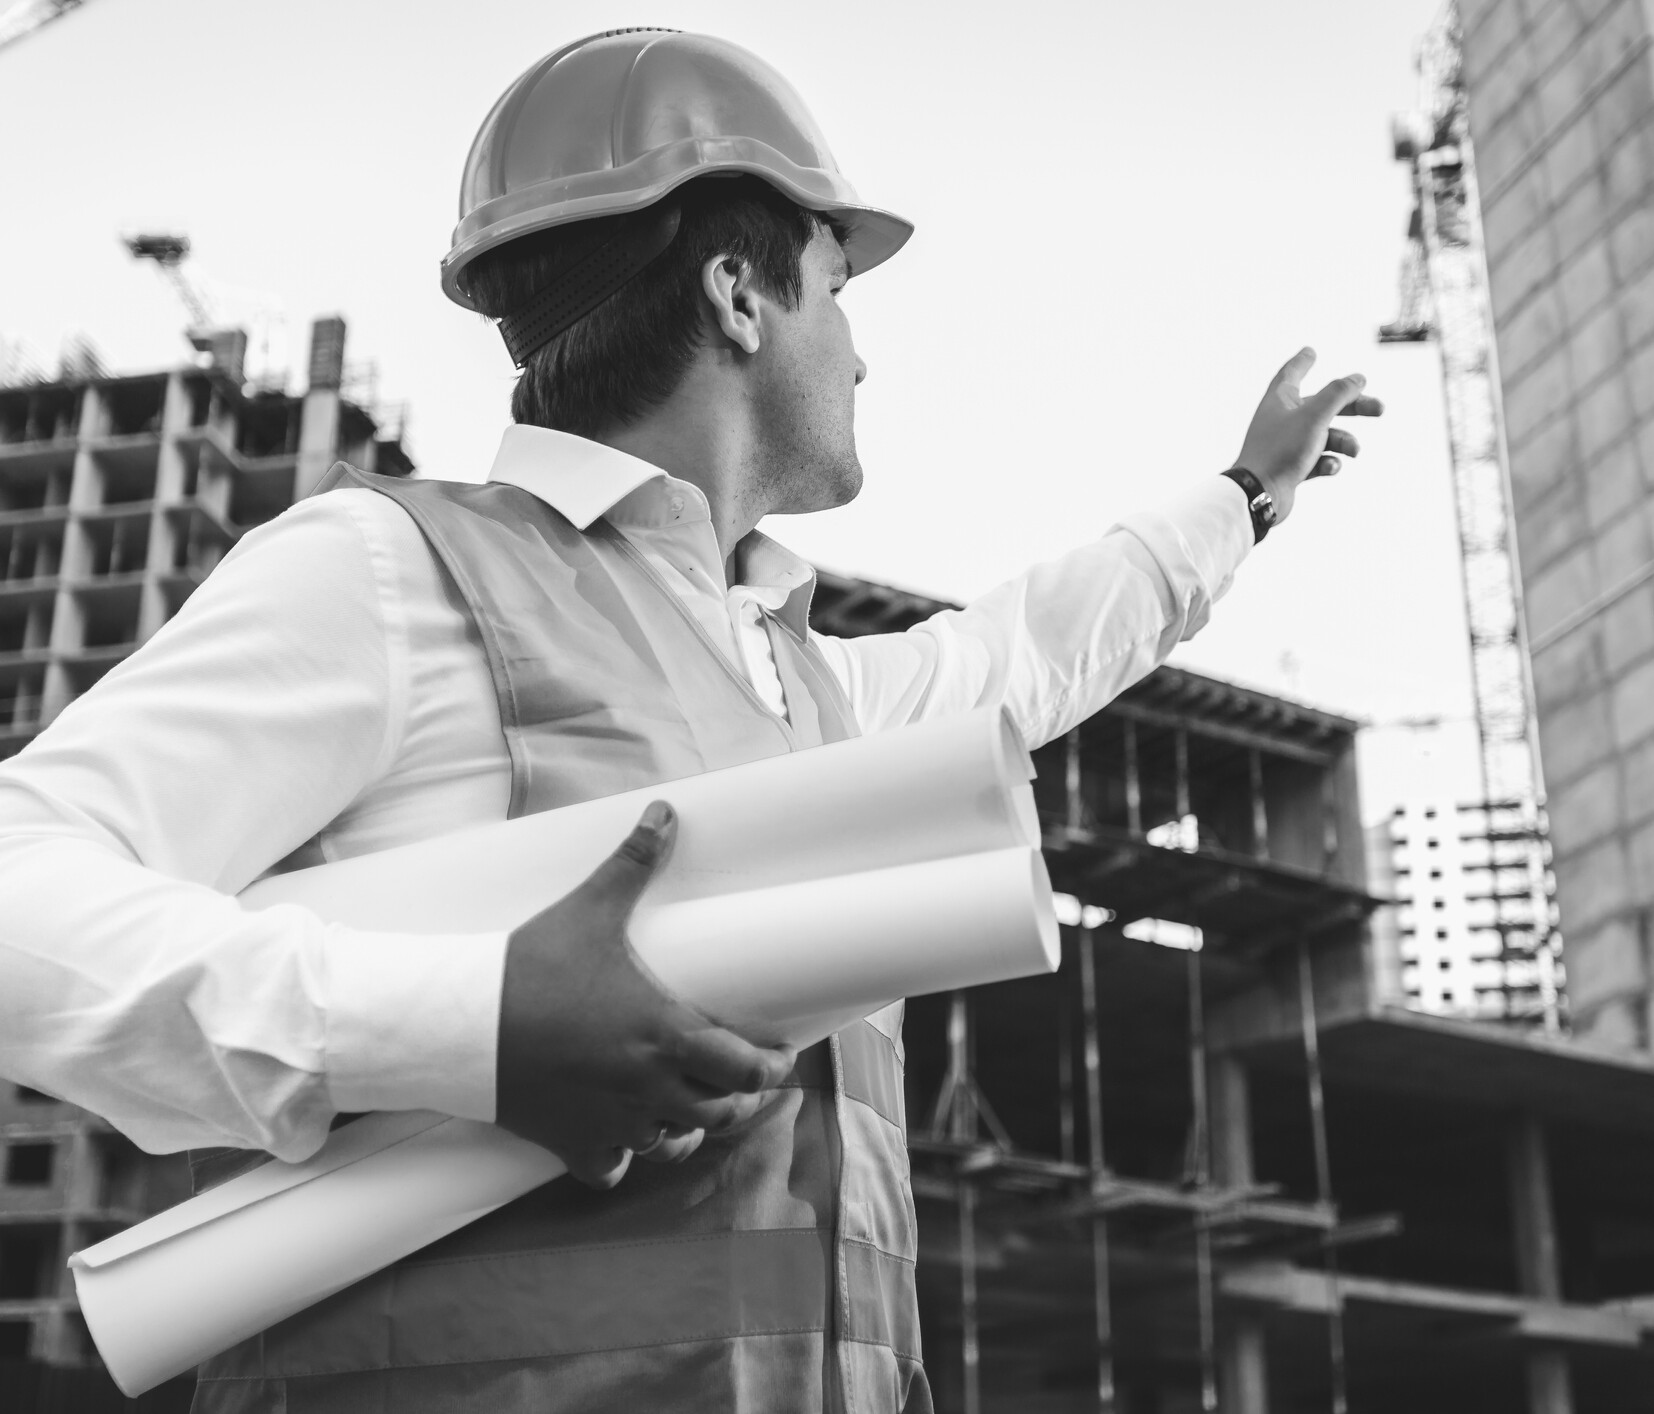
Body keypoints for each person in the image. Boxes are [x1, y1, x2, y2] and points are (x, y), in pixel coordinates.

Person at [0, 28, 1381, 1414]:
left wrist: (1241, 500)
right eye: (839, 292)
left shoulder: (808, 692)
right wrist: (463, 1022)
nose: (861, 356)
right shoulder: (388, 569)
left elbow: (1018, 656)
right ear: (739, 296)